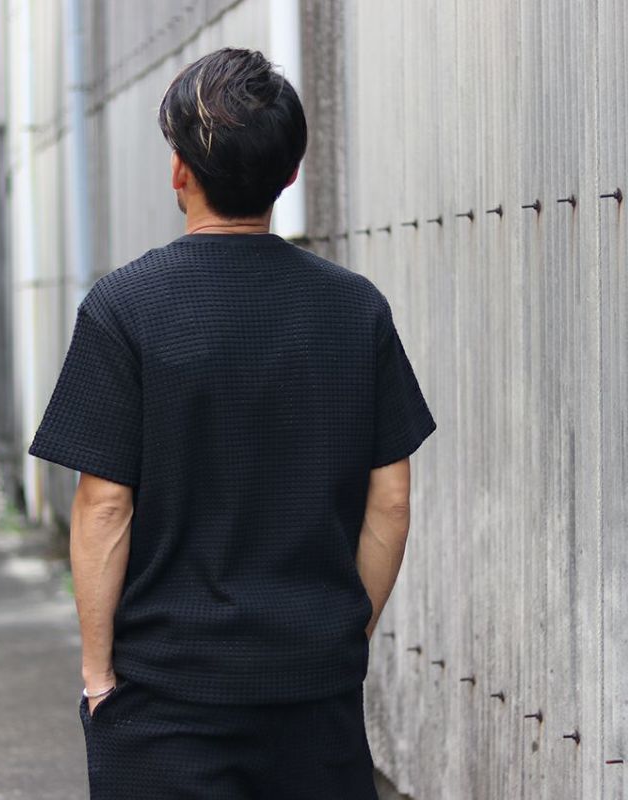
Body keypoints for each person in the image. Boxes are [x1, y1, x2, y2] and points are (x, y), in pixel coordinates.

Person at [29, 46, 436, 800]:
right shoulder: (356, 309)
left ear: (179, 171)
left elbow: (104, 505)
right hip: (315, 698)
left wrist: (97, 677)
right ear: (291, 173)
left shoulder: (124, 309)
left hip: (163, 702)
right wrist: (341, 640)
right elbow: (392, 500)